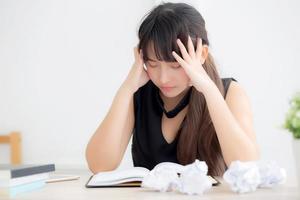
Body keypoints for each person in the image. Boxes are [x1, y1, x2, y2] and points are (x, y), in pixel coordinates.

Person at [86, 2, 259, 176]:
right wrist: (125, 90)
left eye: (175, 65)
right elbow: (99, 165)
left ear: (202, 55)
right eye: (152, 64)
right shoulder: (138, 94)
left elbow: (246, 166)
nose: (163, 78)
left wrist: (209, 90)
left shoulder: (230, 92)